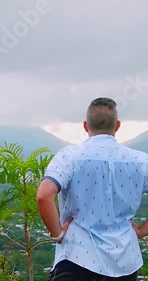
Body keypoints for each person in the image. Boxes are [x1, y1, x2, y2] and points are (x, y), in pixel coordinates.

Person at [36, 97, 148, 280]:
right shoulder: (140, 161)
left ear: (85, 126)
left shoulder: (69, 157)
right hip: (125, 262)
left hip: (77, 258)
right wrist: (142, 231)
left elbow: (43, 196)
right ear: (117, 126)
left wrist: (57, 234)